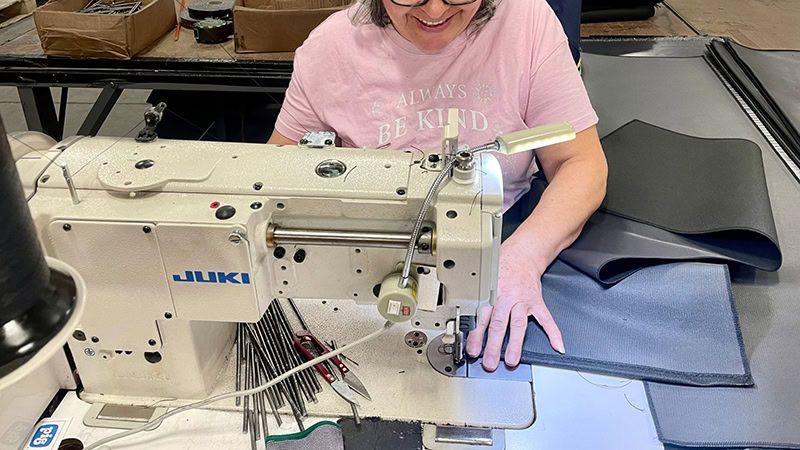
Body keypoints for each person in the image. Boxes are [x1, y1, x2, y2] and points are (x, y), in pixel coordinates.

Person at [268, 0, 607, 372]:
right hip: (372, 250)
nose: (434, 11)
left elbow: (582, 164)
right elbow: (274, 175)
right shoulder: (330, 48)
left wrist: (522, 257)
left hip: (506, 233)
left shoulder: (526, 20)